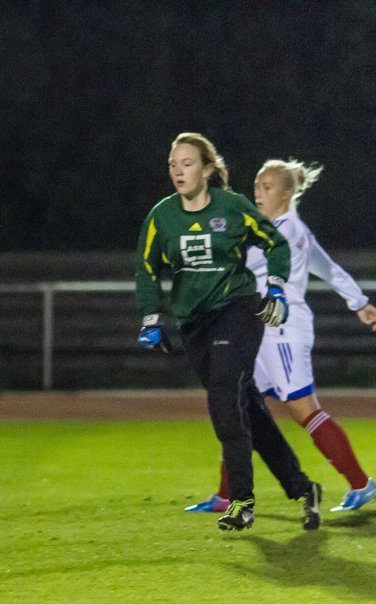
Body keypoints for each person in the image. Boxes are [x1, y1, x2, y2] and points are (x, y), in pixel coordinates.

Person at [135, 133, 322, 532]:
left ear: (206, 169)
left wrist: (275, 287)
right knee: (247, 409)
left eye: (187, 163)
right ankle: (303, 488)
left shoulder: (233, 207)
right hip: (195, 323)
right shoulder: (162, 216)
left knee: (223, 395)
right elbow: (147, 267)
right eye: (173, 164)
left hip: (238, 310)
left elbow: (274, 243)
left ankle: (241, 502)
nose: (178, 171)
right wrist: (151, 317)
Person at [184, 159, 376, 515]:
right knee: (241, 406)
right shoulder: (291, 229)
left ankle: (362, 483)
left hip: (283, 331)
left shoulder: (285, 230)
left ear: (287, 194)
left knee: (304, 410)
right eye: (257, 186)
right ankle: (227, 494)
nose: (258, 193)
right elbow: (328, 268)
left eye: (267, 187)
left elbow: (244, 259)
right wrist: (360, 303)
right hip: (262, 331)